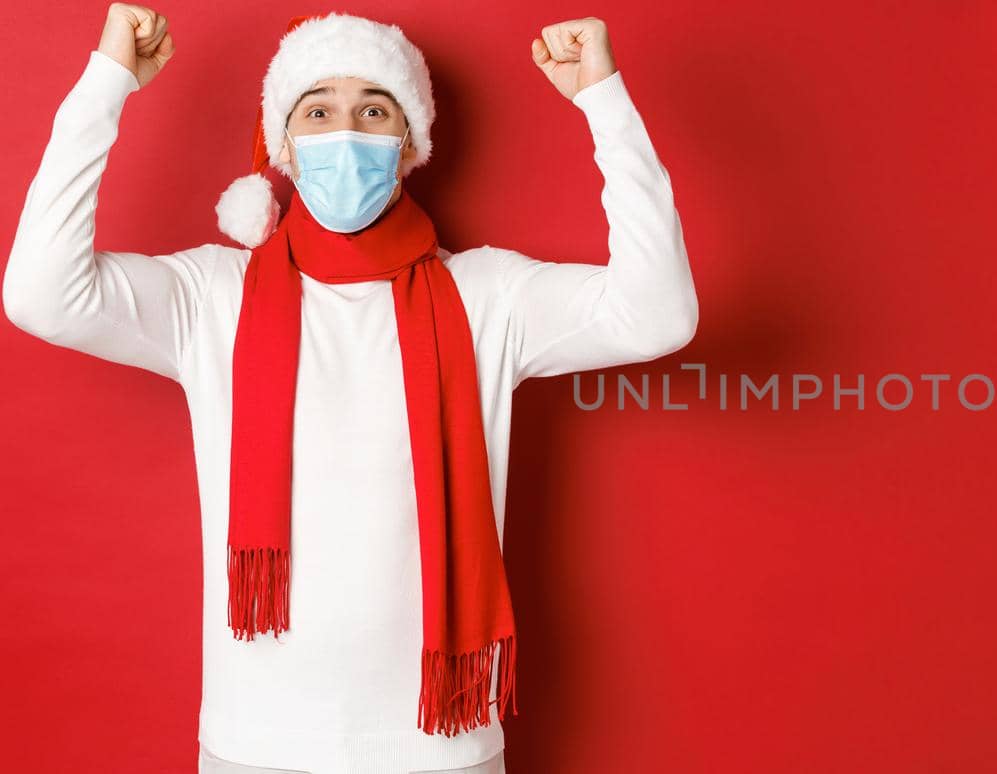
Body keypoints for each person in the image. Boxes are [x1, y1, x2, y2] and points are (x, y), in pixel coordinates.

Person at [2, 5, 698, 774]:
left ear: (409, 147)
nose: (345, 133)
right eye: (318, 111)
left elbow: (657, 313)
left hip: (442, 746)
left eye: (373, 110)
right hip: (255, 743)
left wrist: (604, 100)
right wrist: (107, 85)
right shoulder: (212, 295)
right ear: (285, 145)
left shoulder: (488, 296)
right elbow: (41, 293)